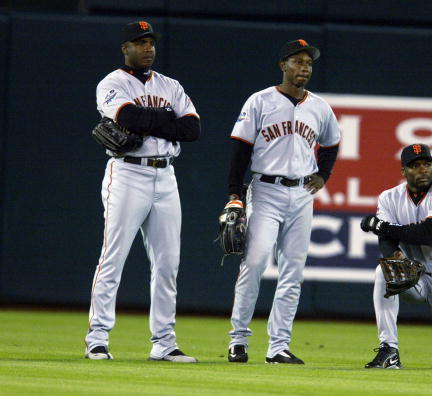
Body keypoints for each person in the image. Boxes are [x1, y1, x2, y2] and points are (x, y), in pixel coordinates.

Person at [84, 21, 200, 363]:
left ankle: (164, 342)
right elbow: (127, 116)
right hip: (127, 174)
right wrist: (166, 119)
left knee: (168, 264)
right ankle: (97, 338)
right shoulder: (112, 83)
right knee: (113, 257)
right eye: (140, 42)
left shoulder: (170, 85)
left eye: (151, 42)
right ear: (126, 48)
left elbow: (192, 128)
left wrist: (150, 120)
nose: (148, 48)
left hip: (166, 177)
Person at [224, 39, 341, 364]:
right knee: (255, 263)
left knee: (293, 271)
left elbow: (331, 144)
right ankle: (238, 340)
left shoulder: (320, 107)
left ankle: (278, 347)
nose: (304, 67)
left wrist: (323, 176)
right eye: (298, 61)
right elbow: (240, 151)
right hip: (265, 190)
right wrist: (235, 194)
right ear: (283, 65)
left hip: (302, 194)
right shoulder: (260, 101)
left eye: (309, 63)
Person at [360, 143, 432, 370]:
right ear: (403, 171)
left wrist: (381, 226)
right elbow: (386, 239)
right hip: (415, 275)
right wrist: (395, 255)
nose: (423, 170)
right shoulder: (389, 198)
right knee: (384, 270)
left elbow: (427, 234)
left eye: (427, 164)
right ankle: (389, 349)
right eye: (415, 165)